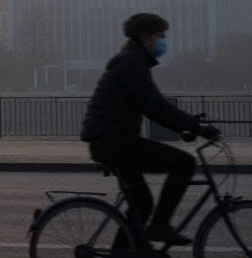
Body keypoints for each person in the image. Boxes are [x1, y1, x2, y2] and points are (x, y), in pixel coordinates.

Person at [81, 13, 218, 247]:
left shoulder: (132, 61)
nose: (163, 41)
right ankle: (159, 226)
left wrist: (186, 125)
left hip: (111, 142)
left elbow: (152, 106)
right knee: (184, 163)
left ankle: (123, 252)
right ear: (145, 37)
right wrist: (197, 127)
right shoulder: (132, 64)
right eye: (160, 36)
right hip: (115, 142)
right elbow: (155, 106)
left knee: (142, 203)